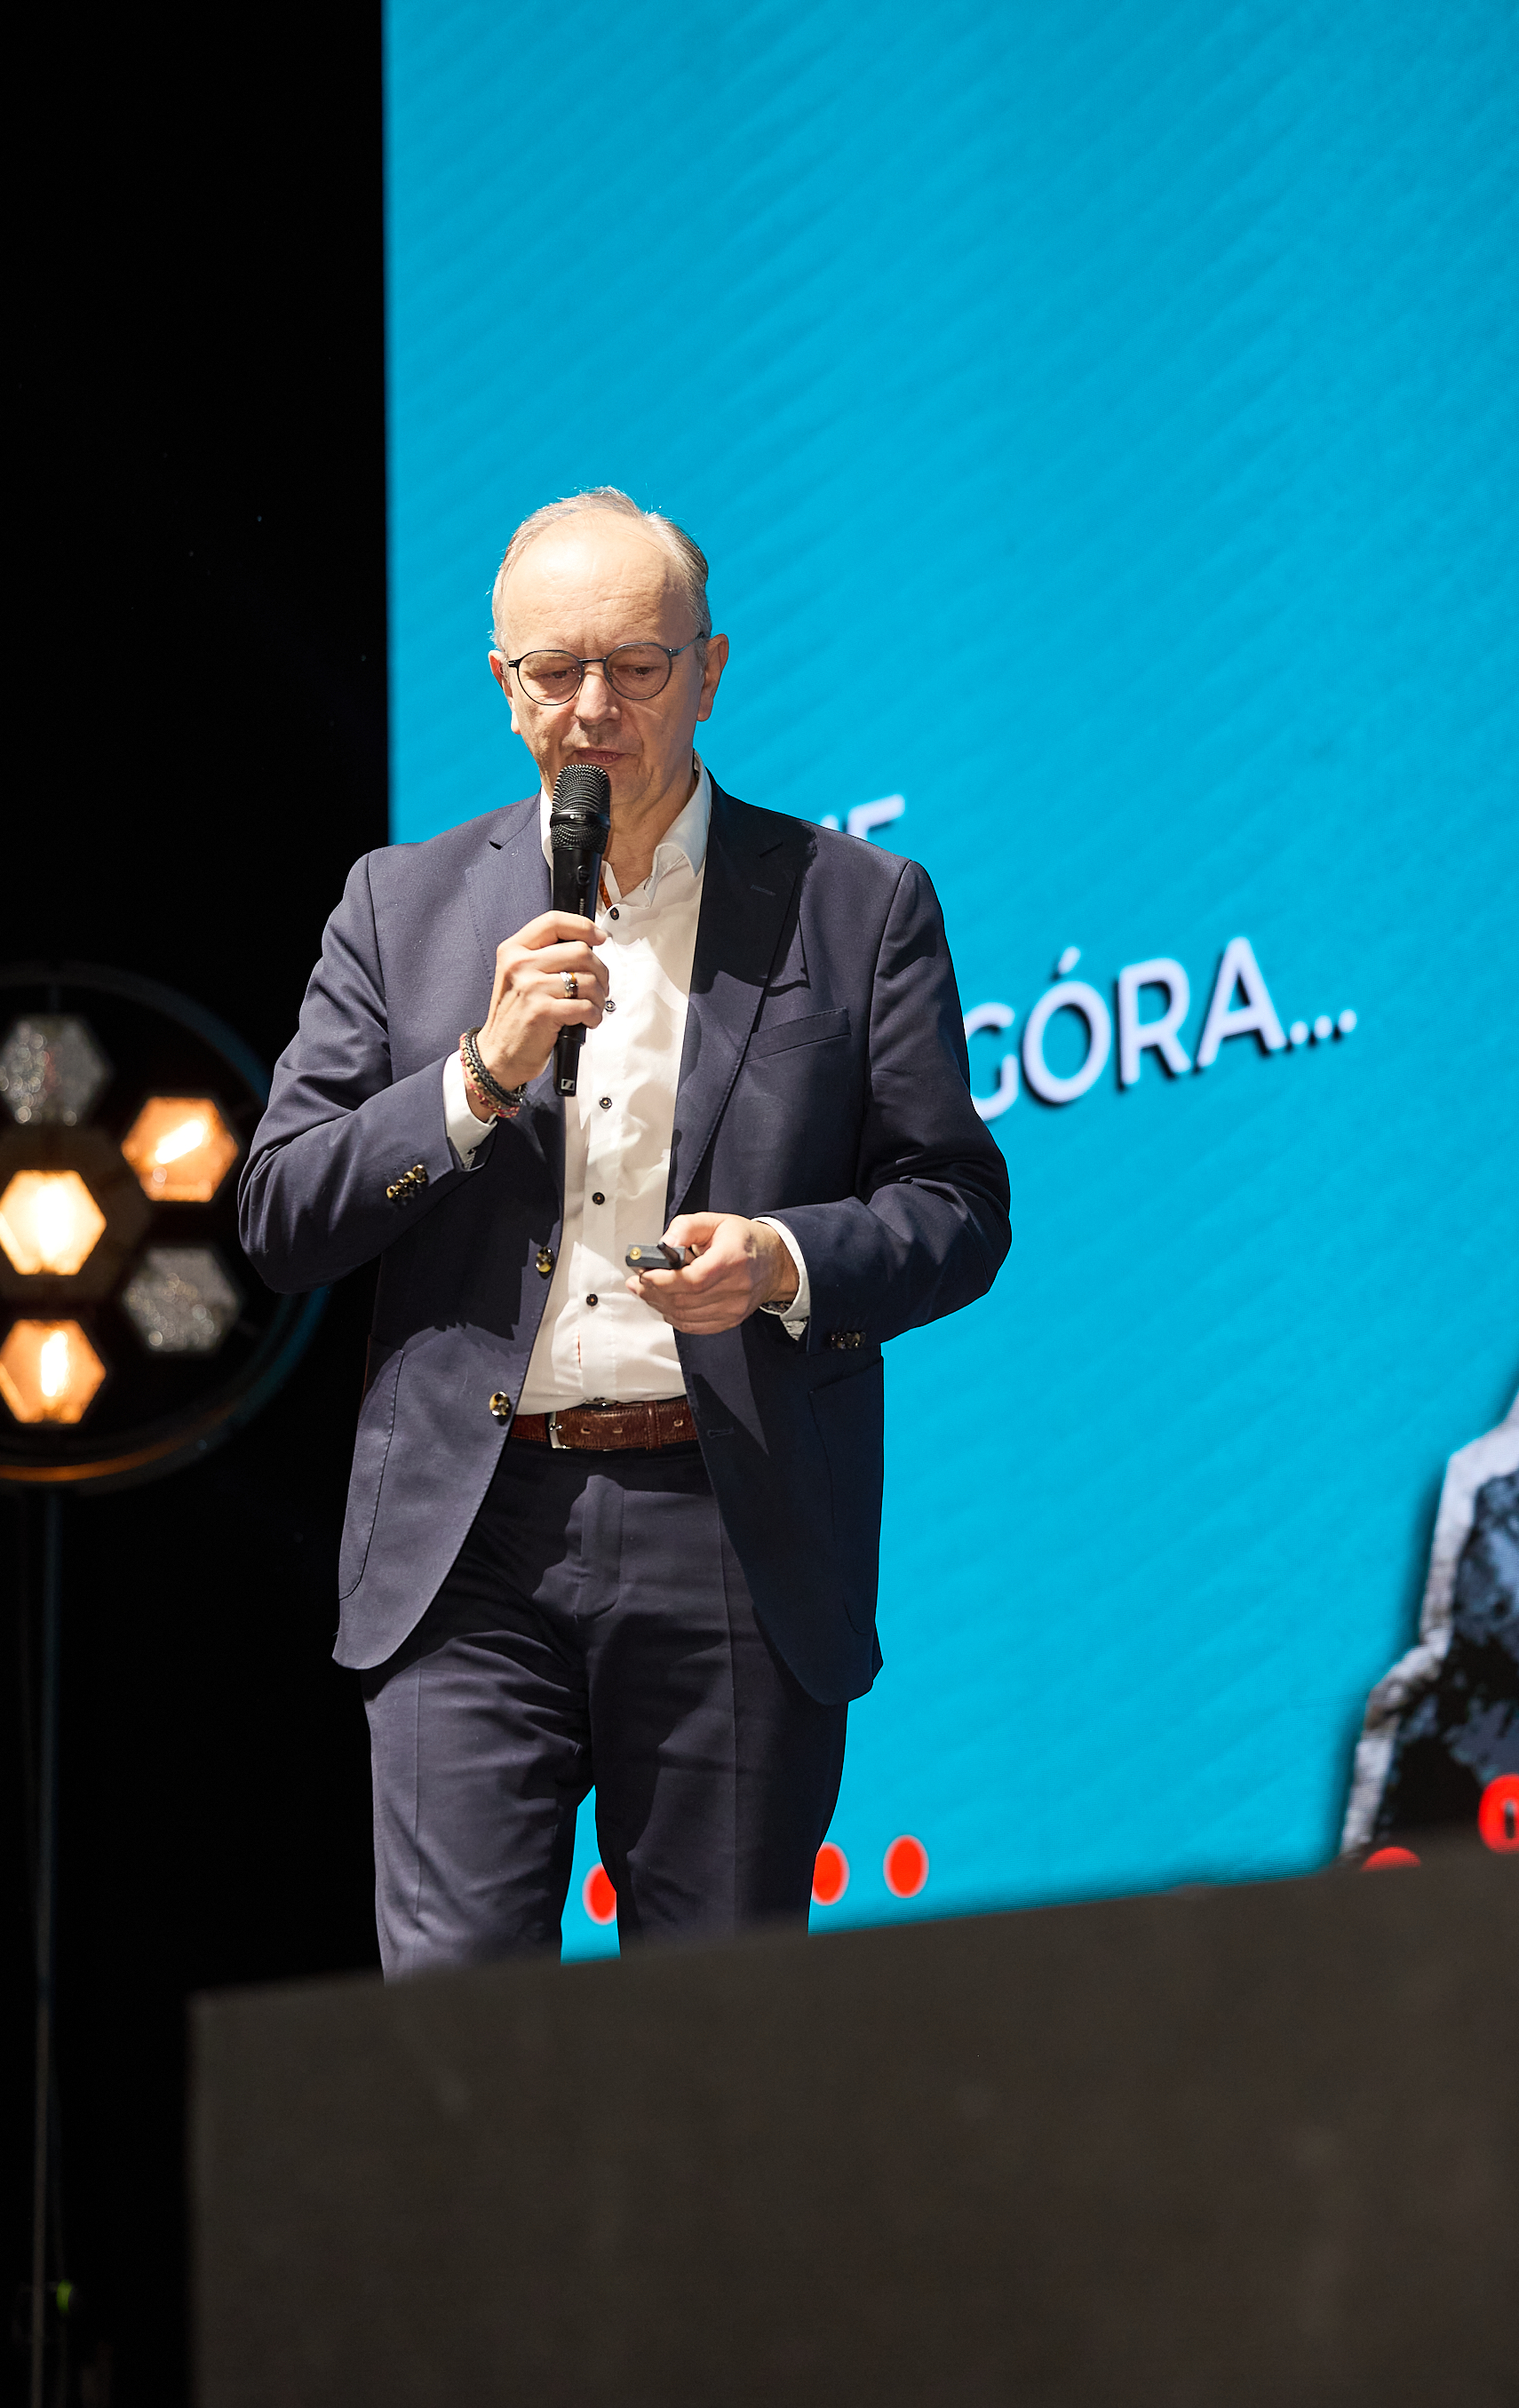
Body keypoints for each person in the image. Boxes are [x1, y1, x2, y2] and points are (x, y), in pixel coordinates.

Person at [240, 487, 1010, 1974]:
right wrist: (478, 1077)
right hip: (468, 1540)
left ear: (708, 671)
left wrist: (782, 1263)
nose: (592, 709)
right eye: (554, 672)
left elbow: (955, 1206)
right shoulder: (399, 908)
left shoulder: (855, 906)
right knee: (455, 2041)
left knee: (708, 2043)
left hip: (725, 1518)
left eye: (636, 668)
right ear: (503, 685)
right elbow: (280, 1214)